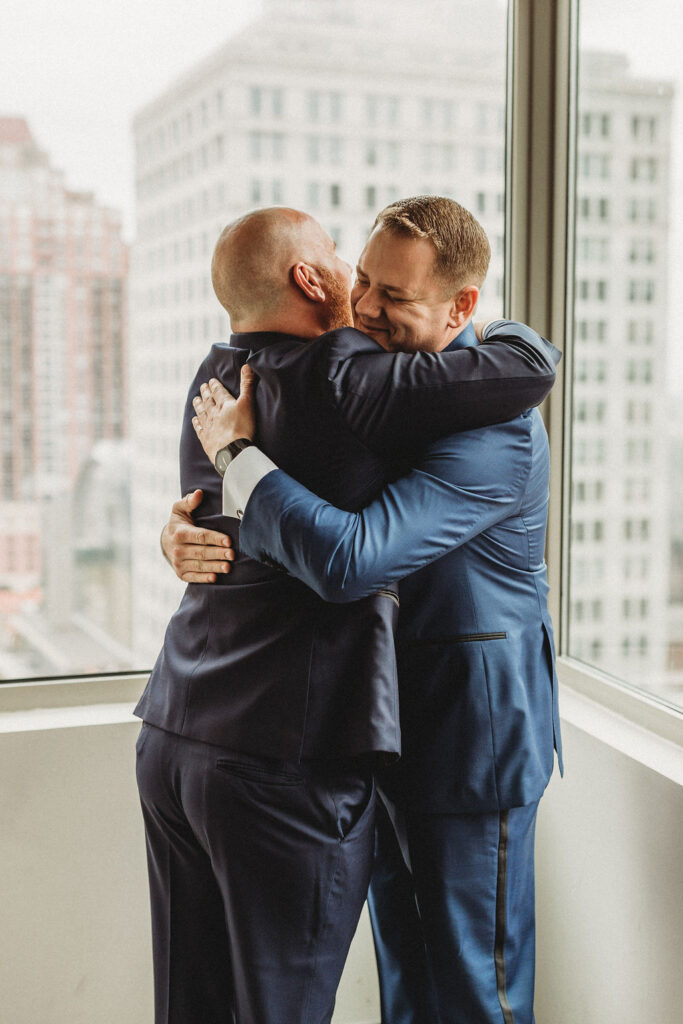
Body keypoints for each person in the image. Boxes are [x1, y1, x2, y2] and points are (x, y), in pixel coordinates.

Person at [169, 197, 563, 1024]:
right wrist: (189, 528)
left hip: (468, 742)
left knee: (471, 990)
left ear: (461, 308)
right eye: (366, 281)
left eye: (397, 297)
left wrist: (236, 461)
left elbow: (352, 558)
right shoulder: (384, 388)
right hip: (373, 729)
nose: (366, 309)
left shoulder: (498, 431)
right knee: (407, 989)